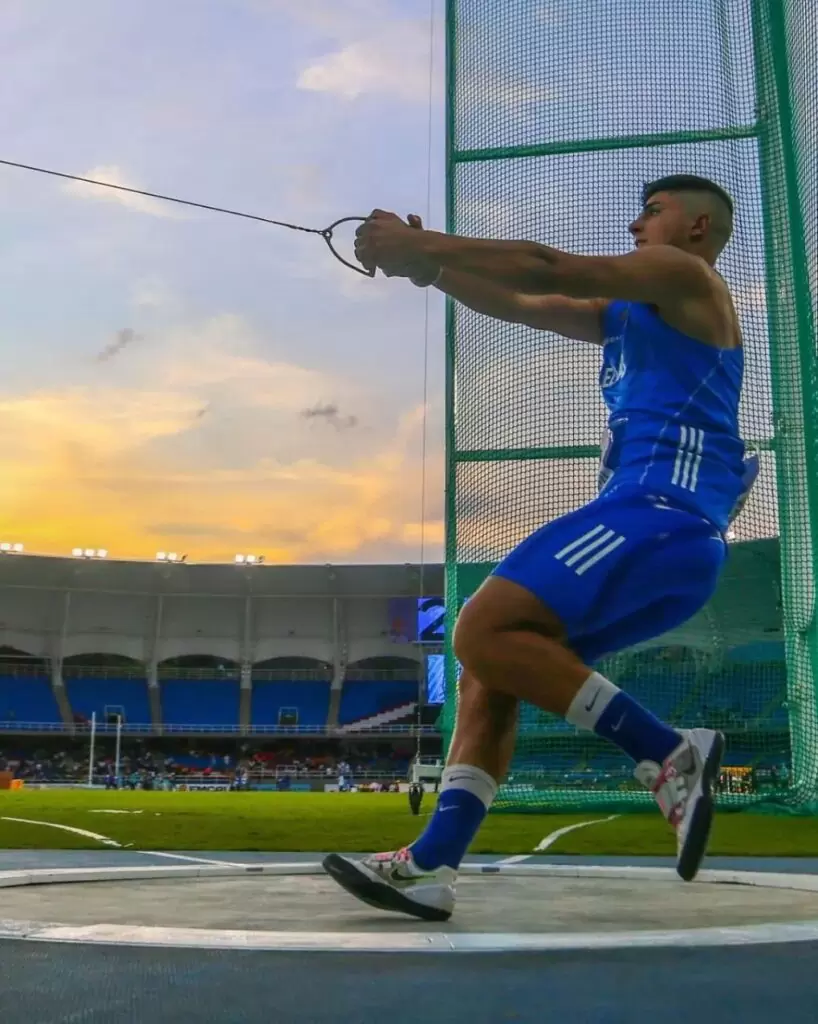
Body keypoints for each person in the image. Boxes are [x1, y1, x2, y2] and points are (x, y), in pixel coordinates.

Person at [322, 175, 760, 923]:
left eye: (651, 212)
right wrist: (430, 269)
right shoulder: (635, 313)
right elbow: (525, 302)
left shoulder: (686, 276)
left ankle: (666, 751)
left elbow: (545, 266)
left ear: (697, 228)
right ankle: (429, 867)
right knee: (488, 671)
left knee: (478, 630)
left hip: (655, 515)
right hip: (673, 542)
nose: (634, 223)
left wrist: (419, 241)